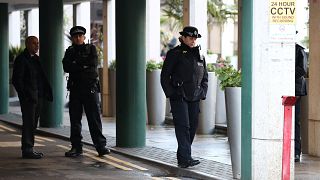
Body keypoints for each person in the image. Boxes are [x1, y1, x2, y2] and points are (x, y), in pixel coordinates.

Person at [160, 26, 208, 168]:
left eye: (195, 38)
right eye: (191, 38)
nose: (193, 40)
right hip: (179, 96)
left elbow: (205, 77)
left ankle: (183, 156)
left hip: (194, 97)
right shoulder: (174, 53)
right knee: (183, 127)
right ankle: (186, 159)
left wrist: (203, 92)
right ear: (184, 38)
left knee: (192, 127)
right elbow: (164, 76)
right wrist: (171, 93)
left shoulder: (200, 55)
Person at [62, 26, 110, 157]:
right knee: (75, 120)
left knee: (94, 119)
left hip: (90, 89)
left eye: (80, 36)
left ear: (84, 37)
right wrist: (82, 65)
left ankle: (101, 146)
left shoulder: (91, 49)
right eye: (75, 36)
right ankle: (76, 147)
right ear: (72, 38)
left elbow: (93, 63)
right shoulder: (69, 51)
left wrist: (76, 65)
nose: (78, 38)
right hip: (75, 89)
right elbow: (66, 66)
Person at [12, 36, 53, 159]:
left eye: (38, 43)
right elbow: (16, 80)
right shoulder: (21, 59)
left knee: (33, 123)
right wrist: (24, 96)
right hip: (29, 98)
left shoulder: (36, 59)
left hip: (38, 96)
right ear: (27, 44)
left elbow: (41, 77)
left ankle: (30, 148)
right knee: (29, 123)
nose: (37, 46)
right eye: (34, 43)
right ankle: (27, 149)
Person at [294, 43, 308, 162]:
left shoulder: (299, 49)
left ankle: (296, 152)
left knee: (295, 121)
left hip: (296, 89)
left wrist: (286, 72)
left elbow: (302, 69)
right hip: (284, 87)